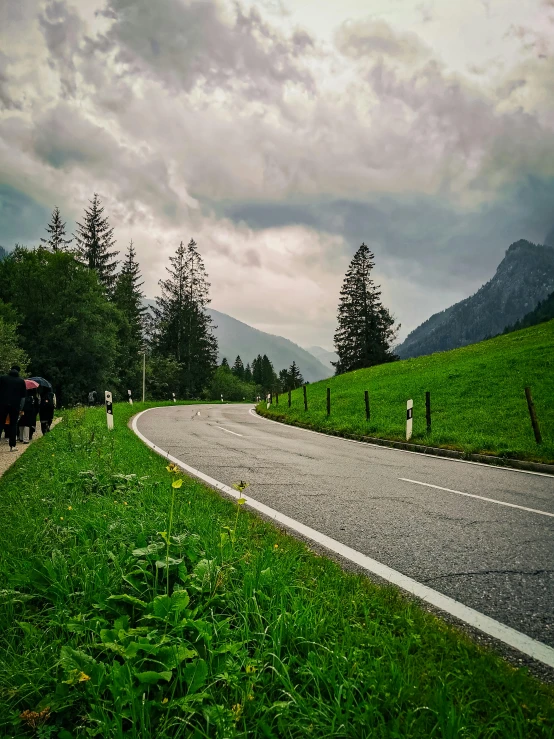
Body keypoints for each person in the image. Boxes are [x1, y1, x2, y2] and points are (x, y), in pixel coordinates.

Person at [0, 365, 27, 451]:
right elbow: (23, 397)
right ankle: (12, 446)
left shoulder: (2, 378)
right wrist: (21, 408)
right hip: (15, 406)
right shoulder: (21, 381)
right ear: (18, 371)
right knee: (13, 425)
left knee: (0, 423)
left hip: (2, 404)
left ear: (10, 370)